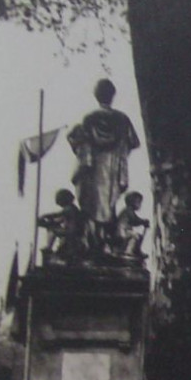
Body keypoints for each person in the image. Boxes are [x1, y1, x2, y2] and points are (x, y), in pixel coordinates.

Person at [67, 78, 140, 253]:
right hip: (113, 171)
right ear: (112, 96)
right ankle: (106, 243)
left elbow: (80, 143)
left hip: (92, 170)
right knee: (109, 206)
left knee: (91, 206)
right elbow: (134, 142)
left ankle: (92, 243)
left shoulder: (90, 118)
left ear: (96, 95)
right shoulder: (122, 119)